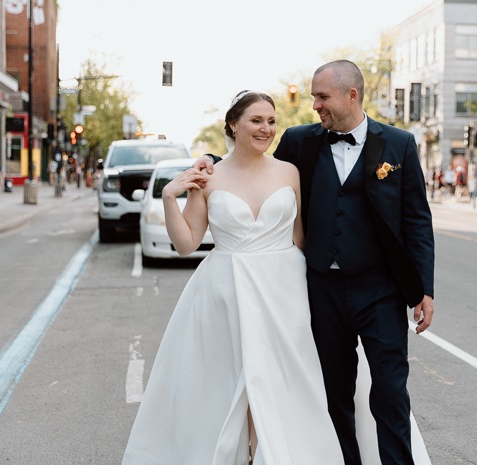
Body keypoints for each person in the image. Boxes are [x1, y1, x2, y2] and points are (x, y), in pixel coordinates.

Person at [196, 60, 435, 465]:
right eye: (314, 98)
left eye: (322, 97)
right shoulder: (299, 141)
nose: (315, 106)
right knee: (333, 394)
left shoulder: (398, 144)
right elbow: (253, 163)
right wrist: (208, 160)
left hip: (380, 290)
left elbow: (416, 220)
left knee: (391, 392)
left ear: (351, 95)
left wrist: (424, 289)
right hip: (320, 289)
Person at [121, 91, 346, 465]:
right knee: (226, 387)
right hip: (224, 293)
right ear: (233, 124)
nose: (266, 129)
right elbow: (186, 243)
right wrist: (169, 197)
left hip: (283, 292)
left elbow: (301, 238)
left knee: (280, 384)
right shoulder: (208, 176)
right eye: (256, 120)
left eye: (271, 121)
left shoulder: (289, 172)